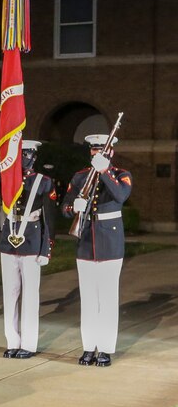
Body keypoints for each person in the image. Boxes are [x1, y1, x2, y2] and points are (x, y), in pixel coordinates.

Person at [0, 141, 57, 358]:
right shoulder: (6, 177)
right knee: (10, 294)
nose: (22, 159)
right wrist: (3, 166)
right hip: (9, 240)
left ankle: (29, 344)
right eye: (18, 155)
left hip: (32, 240)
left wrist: (46, 249)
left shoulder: (43, 181)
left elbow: (49, 217)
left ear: (33, 157)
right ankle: (12, 341)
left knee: (30, 295)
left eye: (24, 155)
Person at [62, 132, 133, 367]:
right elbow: (64, 207)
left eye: (101, 149)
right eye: (93, 149)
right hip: (85, 244)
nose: (96, 153)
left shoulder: (121, 175)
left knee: (108, 299)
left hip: (110, 245)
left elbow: (121, 196)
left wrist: (104, 172)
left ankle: (105, 349)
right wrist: (74, 207)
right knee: (89, 300)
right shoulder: (80, 176)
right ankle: (88, 347)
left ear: (110, 152)